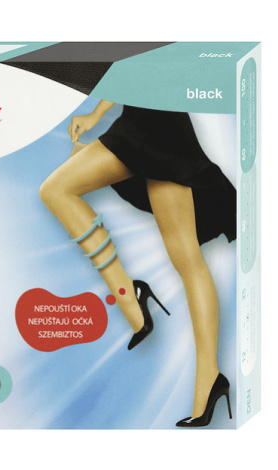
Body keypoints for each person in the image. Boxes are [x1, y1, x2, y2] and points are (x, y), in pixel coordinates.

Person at [39, 100, 235, 427]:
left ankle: (210, 377)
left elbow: (144, 73)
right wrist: (96, 114)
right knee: (55, 190)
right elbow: (126, 73)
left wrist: (96, 114)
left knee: (187, 259)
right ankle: (129, 295)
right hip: (133, 125)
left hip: (164, 131)